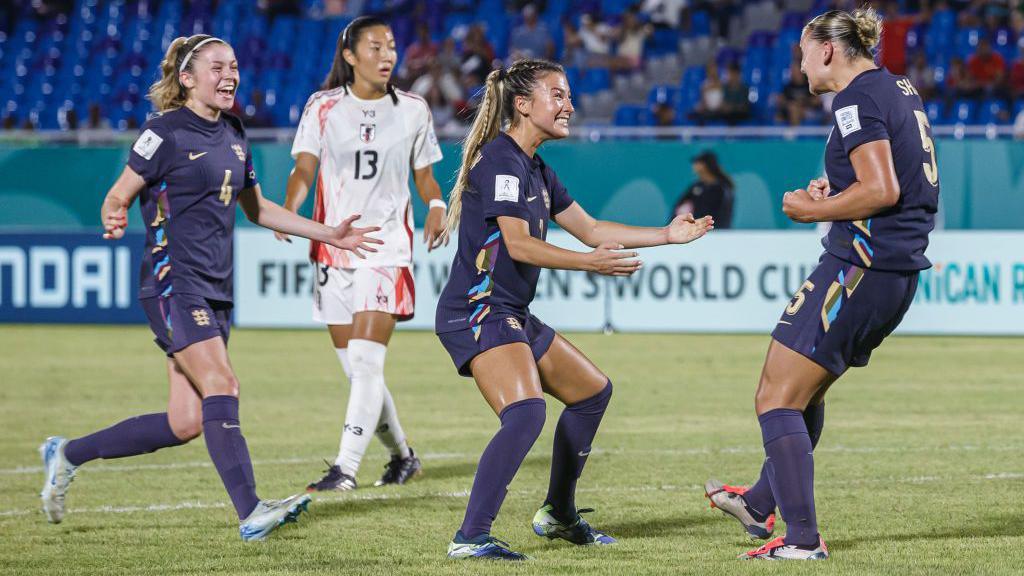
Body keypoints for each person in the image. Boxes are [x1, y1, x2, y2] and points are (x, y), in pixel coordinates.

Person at [38, 34, 382, 541]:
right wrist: (113, 211)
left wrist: (329, 232)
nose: (230, 75)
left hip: (216, 290)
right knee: (223, 384)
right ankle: (251, 512)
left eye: (235, 66)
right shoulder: (164, 132)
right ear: (187, 78)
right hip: (173, 284)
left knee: (184, 422)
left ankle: (67, 454)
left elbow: (258, 209)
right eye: (217, 66)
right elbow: (120, 192)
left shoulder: (235, 133)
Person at [436, 59, 714, 560]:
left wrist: (666, 236)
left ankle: (559, 515)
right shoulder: (500, 160)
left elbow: (591, 229)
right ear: (523, 105)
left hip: (509, 311)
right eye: (558, 95)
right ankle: (470, 536)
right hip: (478, 309)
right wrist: (590, 265)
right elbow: (518, 246)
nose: (570, 105)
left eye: (568, 95)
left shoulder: (536, 167)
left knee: (591, 392)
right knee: (525, 415)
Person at [704, 8, 939, 560]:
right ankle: (761, 504)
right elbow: (891, 176)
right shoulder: (897, 88)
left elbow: (881, 190)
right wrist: (835, 190)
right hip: (889, 273)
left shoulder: (855, 99)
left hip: (861, 268)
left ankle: (803, 541)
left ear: (828, 50)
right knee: (801, 391)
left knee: (775, 396)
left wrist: (814, 210)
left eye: (803, 52)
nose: (800, 64)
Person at [278, 16, 445, 493]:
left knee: (368, 365)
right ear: (349, 55)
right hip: (332, 250)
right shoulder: (324, 107)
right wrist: (291, 205)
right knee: (358, 372)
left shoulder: (413, 109)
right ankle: (403, 457)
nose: (387, 55)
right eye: (375, 46)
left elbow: (426, 176)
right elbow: (304, 168)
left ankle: (344, 469)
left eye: (391, 45)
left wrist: (435, 205)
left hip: (386, 249)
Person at [672, 151, 734, 229]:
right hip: (698, 231)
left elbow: (723, 216)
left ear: (704, 165)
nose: (693, 166)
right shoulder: (696, 186)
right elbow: (679, 205)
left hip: (716, 233)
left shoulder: (722, 188)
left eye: (697, 163)